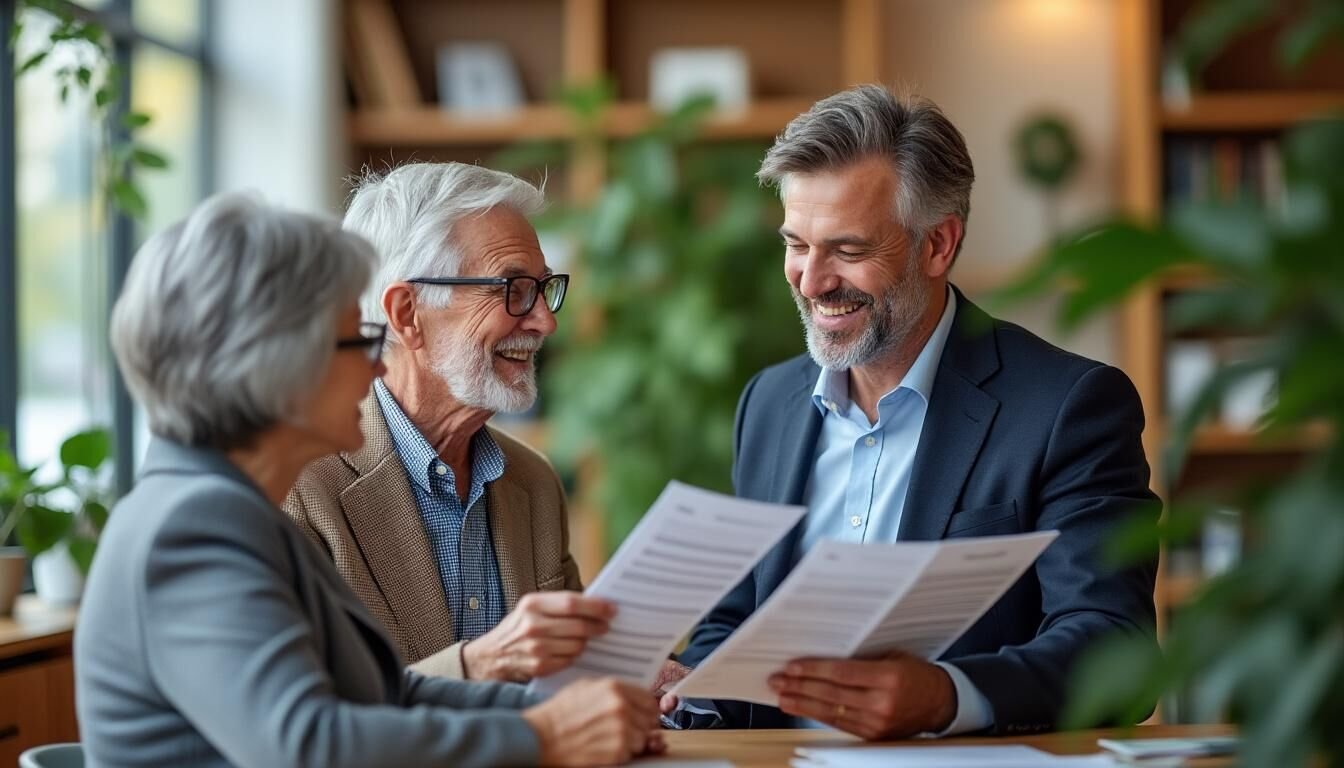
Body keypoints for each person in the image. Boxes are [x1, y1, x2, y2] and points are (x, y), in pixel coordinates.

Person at [76, 193, 662, 767]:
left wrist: (573, 712)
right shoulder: (193, 526)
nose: (376, 365)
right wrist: (546, 739)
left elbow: (389, 697)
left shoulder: (224, 509)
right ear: (272, 364)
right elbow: (309, 744)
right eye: (357, 340)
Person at [657, 85, 1160, 738]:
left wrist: (948, 696)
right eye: (796, 244)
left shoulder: (1070, 407)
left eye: (847, 250)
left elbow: (1115, 650)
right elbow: (736, 619)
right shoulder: (769, 405)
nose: (810, 282)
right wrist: (687, 688)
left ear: (938, 245)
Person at [284, 163, 610, 683]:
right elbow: (306, 714)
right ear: (407, 312)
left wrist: (632, 671)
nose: (545, 321)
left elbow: (564, 675)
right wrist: (477, 667)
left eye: (543, 289)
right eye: (512, 288)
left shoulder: (534, 482)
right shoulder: (298, 485)